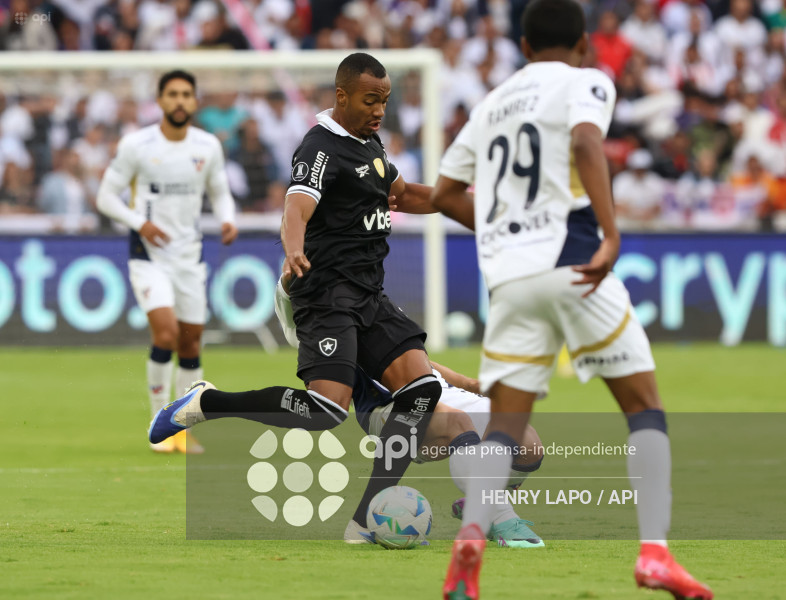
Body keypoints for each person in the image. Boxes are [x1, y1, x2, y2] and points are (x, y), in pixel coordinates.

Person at [429, 2, 714, 599]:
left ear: (526, 46)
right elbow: (586, 141)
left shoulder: (490, 104)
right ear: (583, 45)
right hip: (573, 264)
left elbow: (448, 193)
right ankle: (655, 555)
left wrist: (508, 229)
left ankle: (473, 537)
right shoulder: (585, 81)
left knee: (505, 428)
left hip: (509, 280)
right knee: (643, 405)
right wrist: (611, 233)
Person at [149, 53, 442, 531]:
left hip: (368, 294)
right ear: (341, 96)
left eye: (384, 101)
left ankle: (369, 515)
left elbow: (403, 194)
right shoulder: (319, 148)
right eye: (371, 100)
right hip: (325, 294)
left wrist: (469, 200)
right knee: (326, 411)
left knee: (422, 389)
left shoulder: (369, 142)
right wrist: (293, 249)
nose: (379, 110)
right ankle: (207, 403)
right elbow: (296, 208)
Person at [272, 273, 545, 548]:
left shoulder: (372, 296)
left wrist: (470, 384)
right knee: (458, 423)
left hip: (442, 392)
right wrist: (294, 266)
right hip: (390, 406)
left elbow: (418, 359)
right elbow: (288, 304)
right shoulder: (317, 320)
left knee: (527, 444)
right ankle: (502, 519)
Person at [97, 70, 238, 454]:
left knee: (191, 346)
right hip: (149, 257)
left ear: (195, 102)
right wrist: (140, 222)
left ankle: (182, 429)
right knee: (166, 334)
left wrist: (228, 218)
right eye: (172, 94)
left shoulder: (207, 146)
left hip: (189, 257)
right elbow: (105, 198)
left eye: (186, 94)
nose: (179, 101)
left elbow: (221, 191)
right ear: (160, 101)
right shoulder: (136, 145)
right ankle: (160, 425)